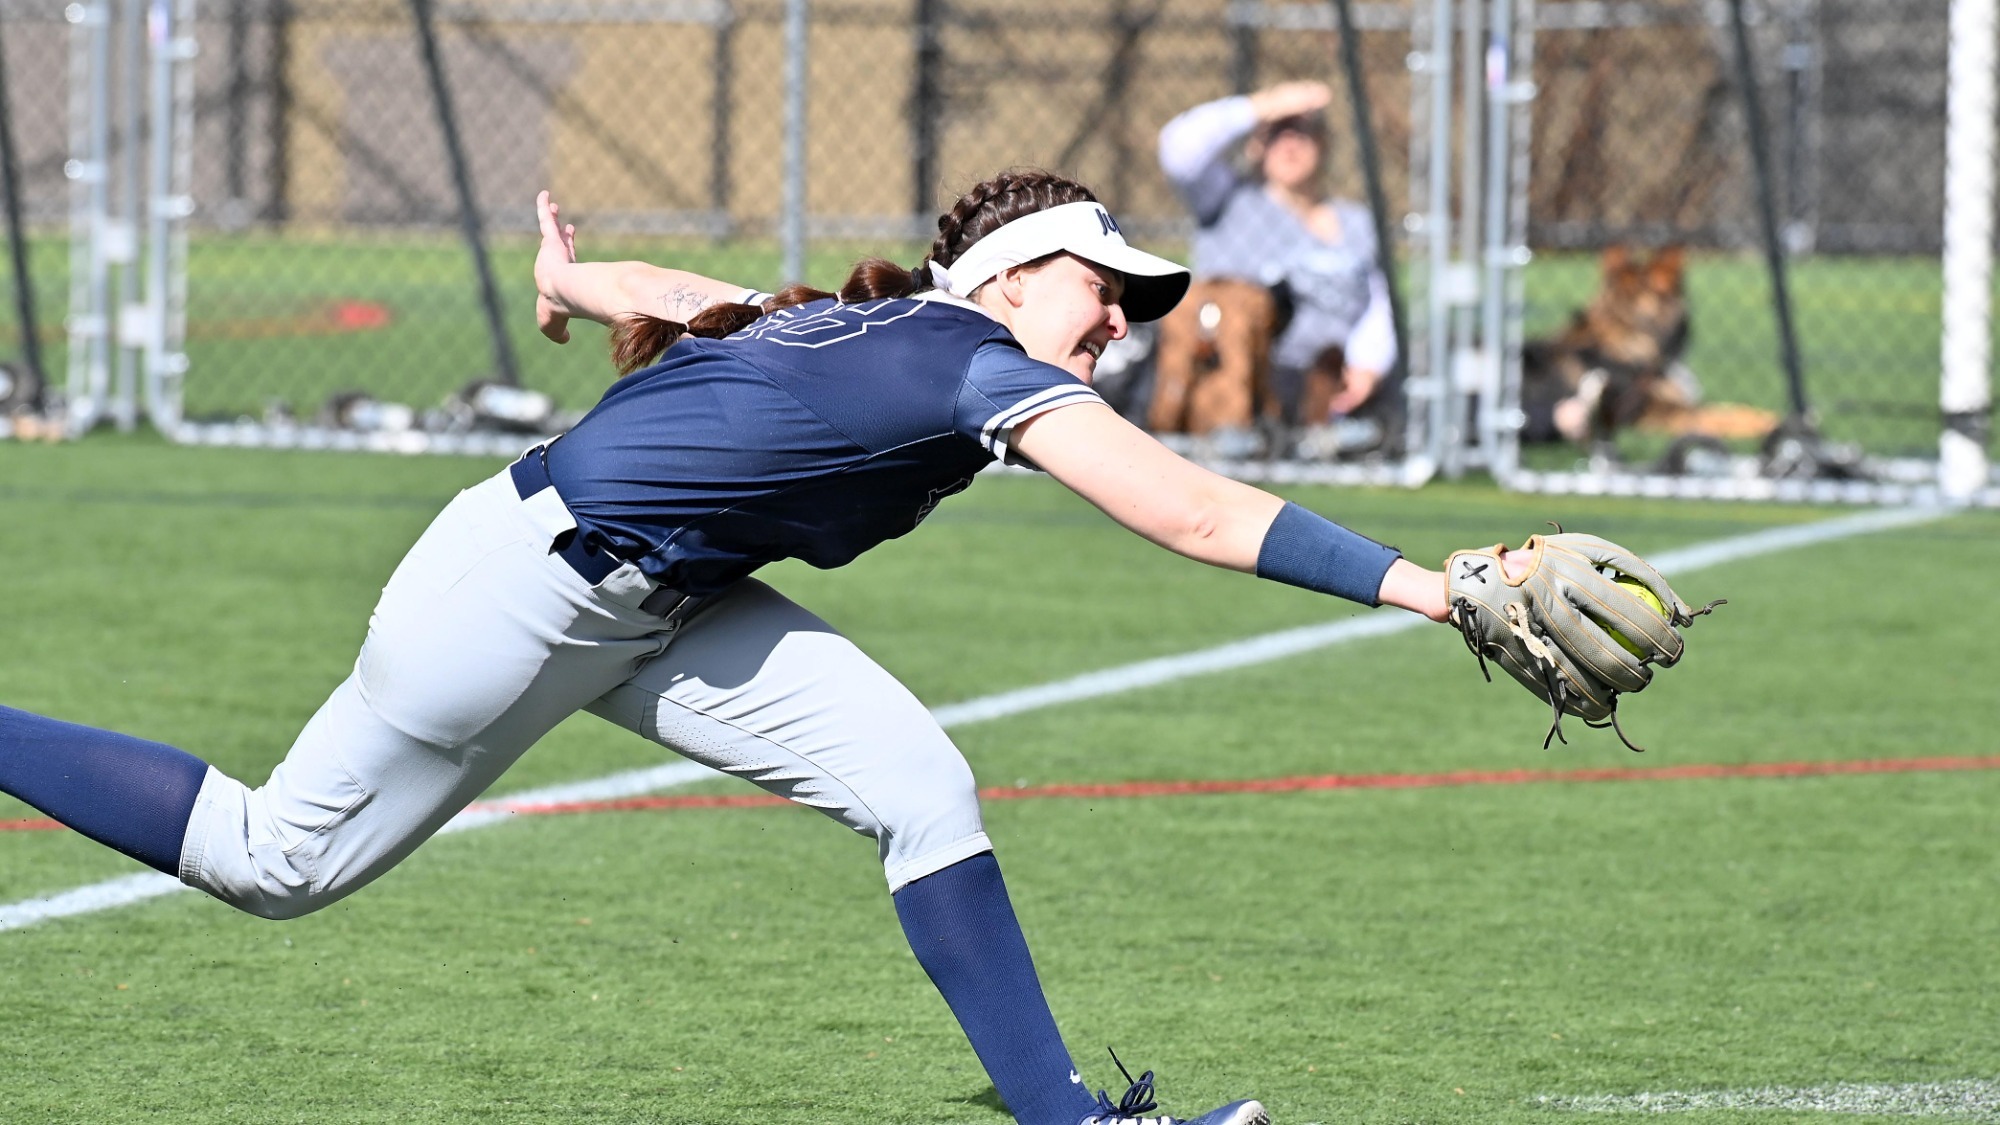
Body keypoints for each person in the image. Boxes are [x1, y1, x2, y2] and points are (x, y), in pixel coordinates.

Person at [0, 170, 1473, 1125]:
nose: (1128, 324)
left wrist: (574, 284)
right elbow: (1196, 511)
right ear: (1014, 278)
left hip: (665, 605)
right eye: (1108, 289)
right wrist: (1432, 588)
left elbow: (677, 299)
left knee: (919, 787)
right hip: (509, 596)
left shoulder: (848, 322)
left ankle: (1071, 1122)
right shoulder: (968, 357)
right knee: (275, 861)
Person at [1158, 81, 1400, 459]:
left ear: (1324, 144)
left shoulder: (1356, 222)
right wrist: (1261, 106)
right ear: (1255, 146)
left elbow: (1379, 301)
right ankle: (1235, 432)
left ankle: (1324, 432)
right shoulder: (1229, 201)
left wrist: (1368, 364)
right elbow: (1180, 151)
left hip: (1325, 378)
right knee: (1233, 304)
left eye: (1301, 133)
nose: (1289, 145)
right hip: (1244, 372)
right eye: (1275, 133)